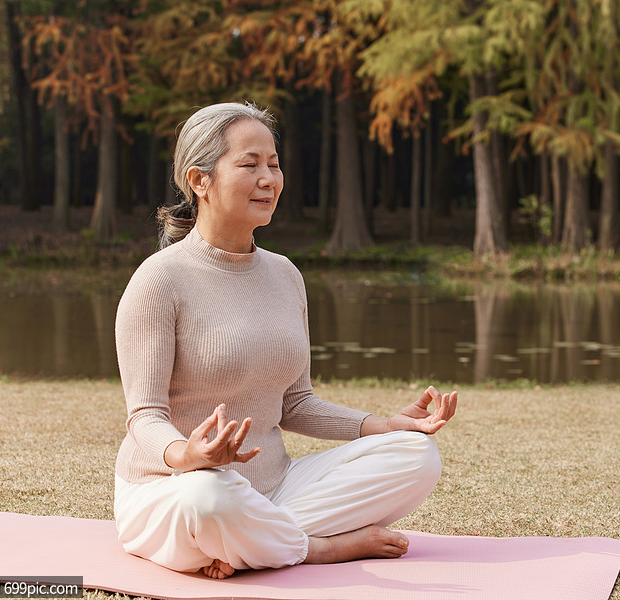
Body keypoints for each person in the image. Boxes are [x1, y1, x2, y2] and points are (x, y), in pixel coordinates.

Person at [113, 101, 459, 579]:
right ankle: (318, 548)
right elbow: (145, 417)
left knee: (416, 455)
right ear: (199, 180)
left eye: (274, 164)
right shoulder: (159, 281)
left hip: (274, 489)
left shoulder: (285, 275)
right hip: (173, 490)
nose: (268, 178)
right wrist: (188, 455)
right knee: (209, 495)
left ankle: (246, 543)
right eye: (250, 164)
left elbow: (296, 403)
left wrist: (385, 424)